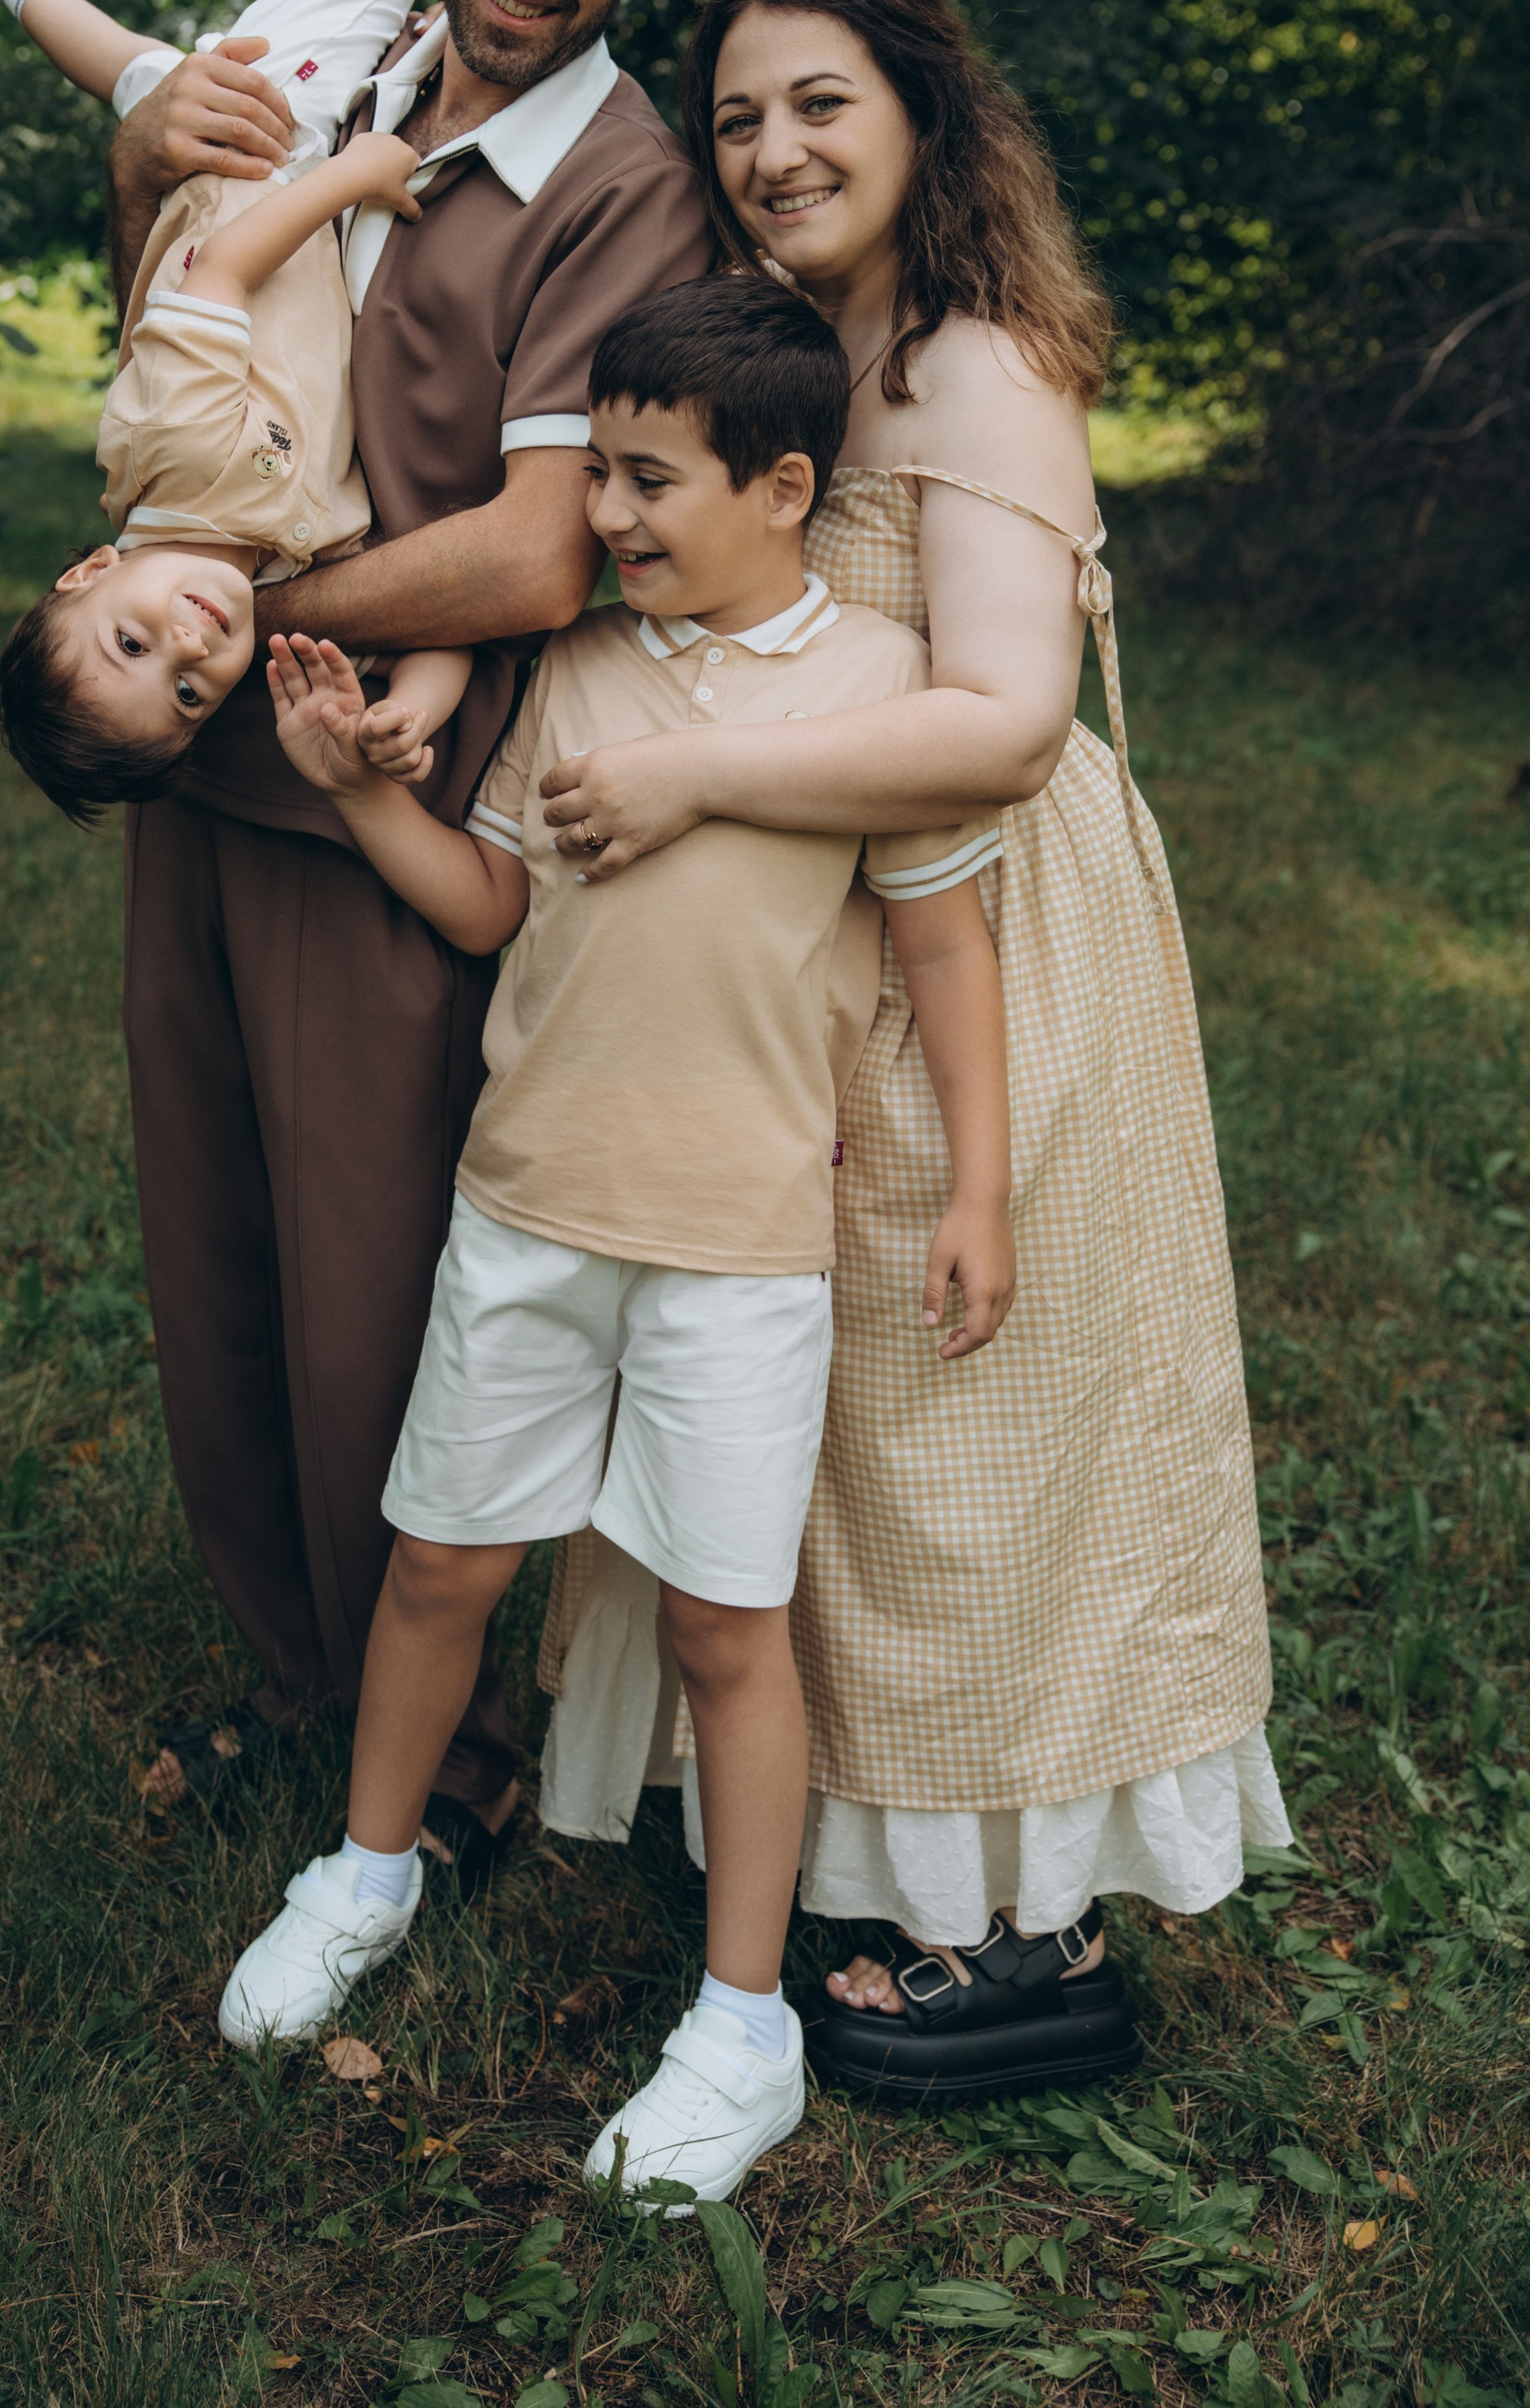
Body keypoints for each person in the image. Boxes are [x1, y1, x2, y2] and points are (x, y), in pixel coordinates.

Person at [533, 0, 1288, 2100]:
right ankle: (837, 1828)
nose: (771, 152)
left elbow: (1004, 724)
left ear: (927, 116)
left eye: (820, 106)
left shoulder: (971, 363)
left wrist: (682, 777)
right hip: (820, 946)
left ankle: (1018, 1933)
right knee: (831, 1430)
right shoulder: (788, 359)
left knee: (980, 1432)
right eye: (740, 116)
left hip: (991, 936)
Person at [217, 279, 1015, 2204]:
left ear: (780, 485)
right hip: (525, 1210)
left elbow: (939, 947)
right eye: (604, 478)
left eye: (647, 482)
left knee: (726, 1626)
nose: (612, 517)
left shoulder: (889, 687)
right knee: (442, 1566)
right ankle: (368, 1863)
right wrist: (354, 794)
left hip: (739, 1239)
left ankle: (740, 2022)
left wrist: (977, 1183)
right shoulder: (578, 666)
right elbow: (493, 905)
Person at [99, 0, 713, 1873]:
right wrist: (140, 145)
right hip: (204, 778)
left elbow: (539, 556)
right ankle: (296, 1688)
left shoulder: (620, 183)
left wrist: (243, 597)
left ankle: (429, 1771)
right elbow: (175, 309)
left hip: (385, 803)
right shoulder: (351, 74)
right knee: (226, 1272)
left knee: (377, 1302)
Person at [0, 0, 473, 816]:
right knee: (143, 76)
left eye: (130, 645)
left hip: (265, 153)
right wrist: (412, 715)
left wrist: (354, 176)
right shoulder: (299, 567)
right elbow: (437, 626)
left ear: (91, 571)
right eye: (184, 694)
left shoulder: (177, 460)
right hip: (268, 168)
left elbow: (221, 267)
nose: (186, 646)